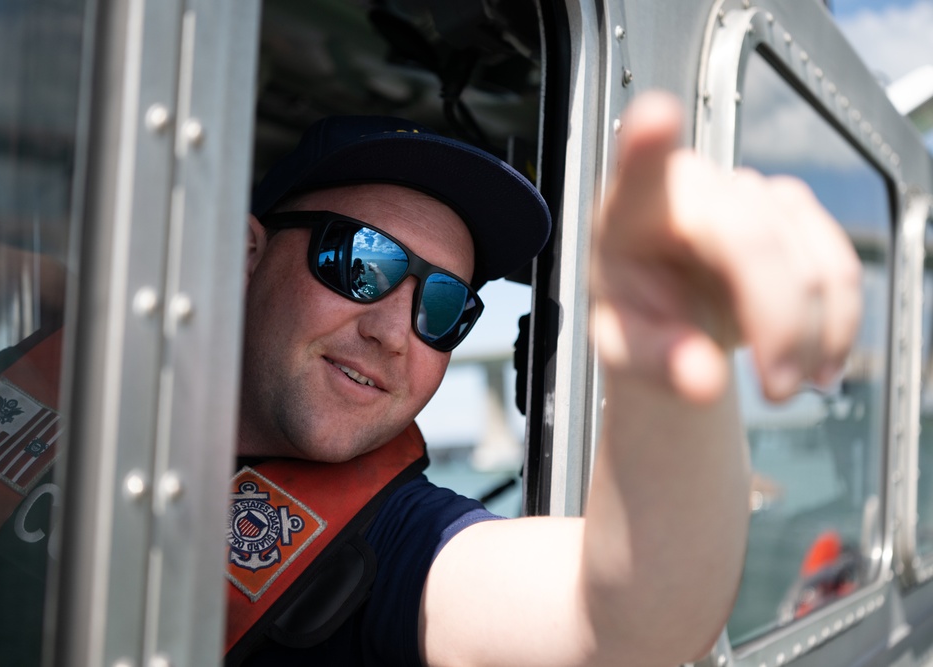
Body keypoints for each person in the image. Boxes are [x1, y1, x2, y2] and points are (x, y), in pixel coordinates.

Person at [226, 90, 861, 667]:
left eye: (442, 307)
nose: (393, 333)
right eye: (361, 261)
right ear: (245, 255)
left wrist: (672, 375)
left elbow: (620, 614)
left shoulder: (400, 541)